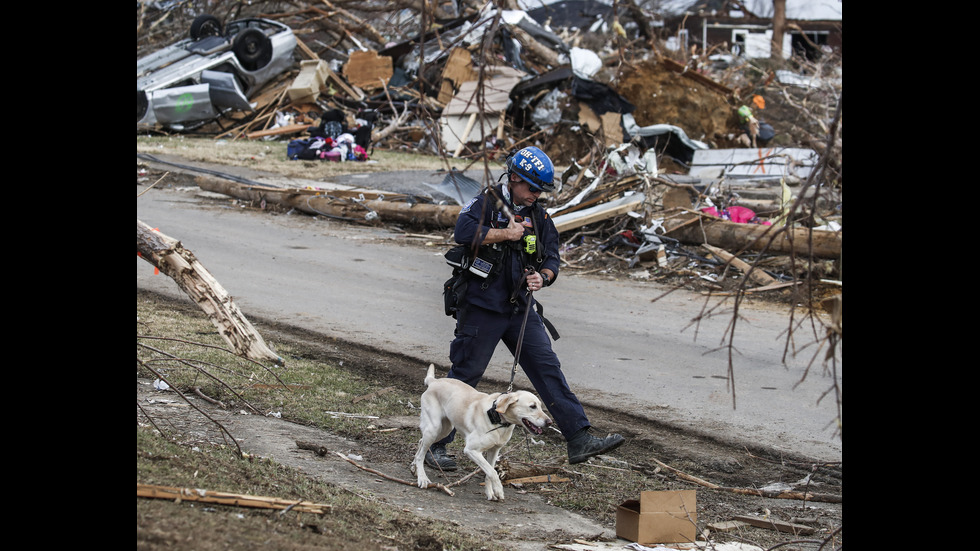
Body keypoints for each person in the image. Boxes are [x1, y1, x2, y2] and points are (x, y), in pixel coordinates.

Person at [427, 146, 625, 471]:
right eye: (532, 188)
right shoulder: (486, 203)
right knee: (464, 376)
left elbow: (551, 255)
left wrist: (543, 278)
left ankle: (579, 438)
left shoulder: (538, 215)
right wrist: (505, 233)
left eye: (540, 190)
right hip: (481, 307)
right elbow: (462, 232)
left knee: (547, 369)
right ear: (515, 178)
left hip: (520, 308)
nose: (536, 195)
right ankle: (437, 446)